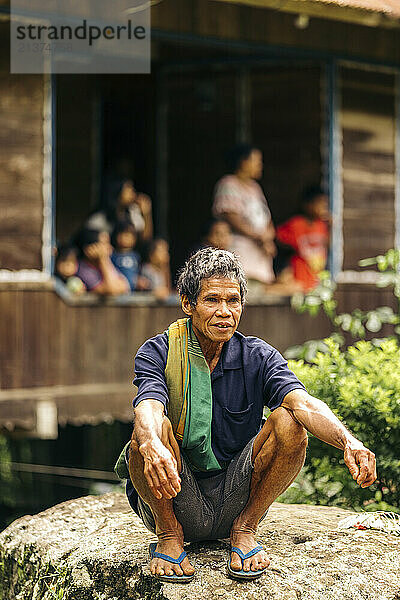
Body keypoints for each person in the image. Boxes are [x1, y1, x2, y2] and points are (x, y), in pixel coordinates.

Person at [121, 248, 376, 583]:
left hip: (236, 497)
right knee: (145, 436)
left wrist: (349, 441)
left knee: (289, 422)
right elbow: (149, 406)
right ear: (187, 303)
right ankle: (170, 537)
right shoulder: (160, 351)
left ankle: (245, 529)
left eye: (234, 300)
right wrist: (152, 442)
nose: (225, 312)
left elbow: (303, 403)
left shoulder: (257, 355)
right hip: (176, 495)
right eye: (212, 300)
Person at [212, 145, 276, 291]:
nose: (260, 165)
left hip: (259, 253)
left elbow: (266, 217)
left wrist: (268, 237)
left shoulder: (255, 187)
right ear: (243, 162)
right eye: (256, 161)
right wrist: (258, 236)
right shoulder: (228, 184)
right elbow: (230, 215)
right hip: (240, 250)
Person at [276, 186, 330, 291]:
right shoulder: (296, 224)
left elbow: (328, 245)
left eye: (325, 204)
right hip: (298, 277)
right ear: (308, 205)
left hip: (316, 278)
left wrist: (331, 228)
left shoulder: (322, 226)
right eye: (319, 203)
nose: (323, 207)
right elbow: (278, 239)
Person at [85, 178, 153, 243]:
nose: (133, 192)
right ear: (117, 193)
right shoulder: (99, 218)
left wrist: (146, 213)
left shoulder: (133, 212)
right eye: (128, 188)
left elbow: (145, 239)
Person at [75, 228, 129, 296]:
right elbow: (112, 290)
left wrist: (104, 260)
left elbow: (124, 286)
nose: (110, 247)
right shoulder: (83, 270)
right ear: (90, 249)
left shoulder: (103, 264)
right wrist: (103, 258)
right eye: (104, 244)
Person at [110, 221, 141, 292]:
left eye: (129, 235)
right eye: (123, 235)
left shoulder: (136, 256)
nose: (126, 238)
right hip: (117, 291)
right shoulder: (112, 255)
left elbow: (137, 273)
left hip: (133, 293)